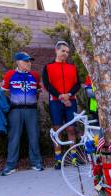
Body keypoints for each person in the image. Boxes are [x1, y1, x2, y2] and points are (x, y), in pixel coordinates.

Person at [1, 52, 43, 176]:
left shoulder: (35, 75)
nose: (29, 63)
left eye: (30, 61)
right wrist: (14, 102)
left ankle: (36, 162)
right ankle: (10, 165)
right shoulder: (10, 75)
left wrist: (31, 102)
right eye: (26, 61)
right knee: (14, 137)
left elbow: (38, 92)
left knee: (34, 136)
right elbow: (5, 92)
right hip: (15, 110)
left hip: (31, 110)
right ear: (18, 62)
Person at [43, 41, 81, 169]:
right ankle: (58, 159)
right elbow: (47, 84)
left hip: (71, 101)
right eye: (63, 51)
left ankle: (74, 158)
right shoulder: (48, 67)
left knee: (71, 129)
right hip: (55, 101)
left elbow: (78, 84)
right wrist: (60, 95)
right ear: (56, 50)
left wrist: (68, 94)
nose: (65, 53)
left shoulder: (73, 67)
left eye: (67, 52)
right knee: (56, 129)